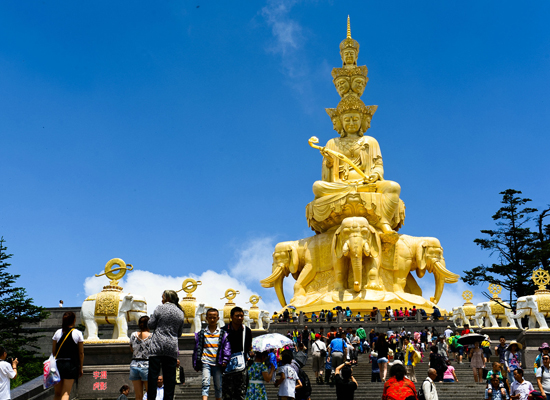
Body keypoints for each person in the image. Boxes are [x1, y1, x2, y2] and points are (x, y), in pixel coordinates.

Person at [147, 290, 185, 400]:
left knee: (153, 376)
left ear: (167, 298)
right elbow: (179, 333)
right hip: (171, 347)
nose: (161, 299)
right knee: (169, 378)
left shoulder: (160, 308)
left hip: (157, 346)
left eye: (163, 297)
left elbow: (150, 324)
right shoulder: (180, 312)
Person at [193, 308, 230, 400]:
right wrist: (196, 364)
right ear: (206, 318)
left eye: (214, 317)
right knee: (205, 383)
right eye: (210, 317)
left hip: (217, 362)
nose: (212, 320)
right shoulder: (202, 333)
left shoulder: (223, 333)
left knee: (218, 385)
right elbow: (197, 349)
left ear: (218, 318)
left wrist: (225, 360)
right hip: (206, 361)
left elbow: (227, 348)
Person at [221, 306, 253, 400]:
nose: (240, 318)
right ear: (231, 317)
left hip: (241, 366)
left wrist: (250, 354)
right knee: (227, 395)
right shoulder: (223, 330)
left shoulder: (246, 331)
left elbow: (249, 347)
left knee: (241, 394)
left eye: (241, 316)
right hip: (226, 366)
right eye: (237, 316)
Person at [52, 311, 84, 400]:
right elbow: (81, 353)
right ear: (74, 320)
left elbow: (53, 351)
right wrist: (80, 367)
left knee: (57, 393)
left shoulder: (57, 333)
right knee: (65, 393)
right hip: (71, 365)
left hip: (57, 364)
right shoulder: (77, 333)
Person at [130, 315, 152, 400]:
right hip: (146, 364)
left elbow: (131, 349)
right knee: (149, 393)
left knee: (138, 395)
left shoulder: (133, 334)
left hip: (134, 365)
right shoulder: (152, 336)